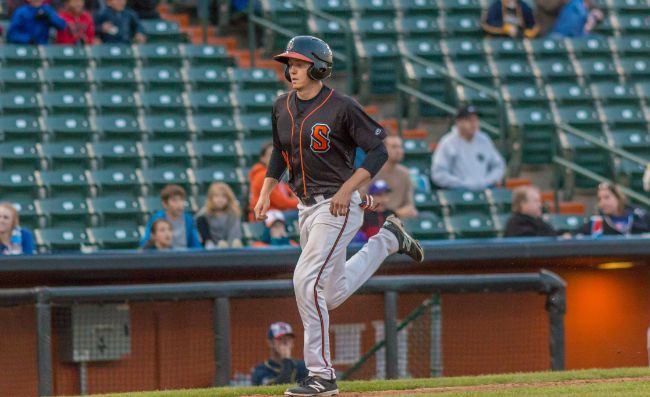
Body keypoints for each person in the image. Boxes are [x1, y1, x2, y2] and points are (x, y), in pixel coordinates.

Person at [254, 35, 423, 396]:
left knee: (304, 282)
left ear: (318, 67)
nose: (292, 69)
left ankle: (321, 375)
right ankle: (388, 240)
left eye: (299, 63)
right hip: (305, 207)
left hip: (338, 205)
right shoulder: (281, 106)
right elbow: (280, 152)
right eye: (290, 63)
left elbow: (378, 150)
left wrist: (350, 188)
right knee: (327, 294)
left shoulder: (341, 106)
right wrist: (267, 188)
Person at [431, 105, 505, 191]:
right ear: (459, 122)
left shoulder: (484, 139)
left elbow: (499, 165)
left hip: (485, 190)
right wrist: (460, 183)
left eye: (476, 120)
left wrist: (487, 181)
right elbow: (438, 174)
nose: (473, 124)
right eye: (469, 120)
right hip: (458, 193)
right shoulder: (448, 142)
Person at [365, 136, 417, 219]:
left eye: (400, 147)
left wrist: (395, 213)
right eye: (394, 147)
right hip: (373, 220)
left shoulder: (405, 173)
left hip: (397, 219)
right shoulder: (370, 171)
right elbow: (362, 201)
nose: (398, 151)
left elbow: (409, 205)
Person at [249, 141, 299, 221]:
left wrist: (295, 195)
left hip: (276, 213)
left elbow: (288, 189)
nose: (274, 158)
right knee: (304, 211)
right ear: (262, 158)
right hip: (265, 216)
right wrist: (300, 203)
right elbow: (281, 202)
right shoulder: (263, 175)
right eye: (270, 155)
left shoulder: (274, 173)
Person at [141, 184, 202, 249]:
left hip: (184, 256)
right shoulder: (156, 219)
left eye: (181, 200)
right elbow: (146, 241)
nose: (179, 204)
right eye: (174, 200)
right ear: (164, 204)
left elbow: (196, 245)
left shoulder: (189, 219)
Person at [580, 182, 650, 236]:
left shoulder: (640, 216)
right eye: (599, 199)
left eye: (607, 197)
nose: (602, 202)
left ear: (618, 198)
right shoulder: (596, 222)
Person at [251, 322, 309, 386]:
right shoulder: (260, 370)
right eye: (280, 339)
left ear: (293, 344)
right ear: (270, 343)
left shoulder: (303, 366)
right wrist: (286, 359)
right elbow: (279, 386)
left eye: (288, 339)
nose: (285, 343)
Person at [195, 182, 243, 249]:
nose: (220, 199)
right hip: (211, 246)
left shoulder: (233, 214)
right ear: (211, 198)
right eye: (216, 196)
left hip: (230, 246)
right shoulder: (204, 214)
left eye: (223, 196)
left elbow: (234, 232)